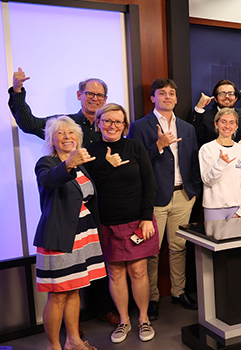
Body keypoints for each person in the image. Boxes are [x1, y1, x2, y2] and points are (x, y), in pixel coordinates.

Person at [128, 78, 202, 318]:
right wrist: (158, 146)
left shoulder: (187, 127)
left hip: (183, 195)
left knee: (179, 247)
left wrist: (193, 191)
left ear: (177, 98)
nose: (168, 97)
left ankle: (179, 292)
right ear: (153, 98)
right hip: (155, 198)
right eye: (162, 93)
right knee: (152, 251)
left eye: (172, 93)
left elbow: (192, 160)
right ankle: (151, 297)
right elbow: (136, 164)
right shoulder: (140, 127)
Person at [86, 103, 158, 343]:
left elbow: (150, 183)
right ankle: (124, 321)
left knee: (138, 271)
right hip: (106, 223)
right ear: (98, 123)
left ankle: (144, 319)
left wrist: (147, 217)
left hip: (137, 221)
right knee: (115, 274)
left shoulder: (135, 147)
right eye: (107, 121)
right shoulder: (89, 150)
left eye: (117, 121)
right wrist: (108, 165)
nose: (112, 126)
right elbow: (89, 186)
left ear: (125, 125)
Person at [34, 116, 106, 350]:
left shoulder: (80, 162)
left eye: (71, 133)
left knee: (74, 289)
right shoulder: (46, 163)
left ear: (79, 137)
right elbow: (48, 181)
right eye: (61, 133)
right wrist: (68, 165)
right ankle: (53, 346)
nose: (67, 137)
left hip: (82, 235)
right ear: (52, 139)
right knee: (58, 295)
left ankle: (73, 340)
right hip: (59, 236)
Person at [9, 68, 106, 145]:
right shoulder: (62, 122)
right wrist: (17, 90)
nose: (94, 98)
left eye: (99, 95)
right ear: (79, 95)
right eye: (89, 93)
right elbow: (29, 125)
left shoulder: (111, 126)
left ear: (105, 99)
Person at [199, 108, 241, 221]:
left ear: (236, 126)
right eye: (223, 122)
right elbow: (208, 181)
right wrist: (220, 163)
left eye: (231, 122)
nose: (227, 126)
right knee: (214, 239)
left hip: (237, 209)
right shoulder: (207, 149)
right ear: (216, 124)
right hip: (214, 208)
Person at [190, 79, 241, 146]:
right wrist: (199, 107)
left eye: (230, 93)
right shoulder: (205, 118)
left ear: (236, 98)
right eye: (222, 94)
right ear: (215, 99)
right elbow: (194, 136)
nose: (227, 97)